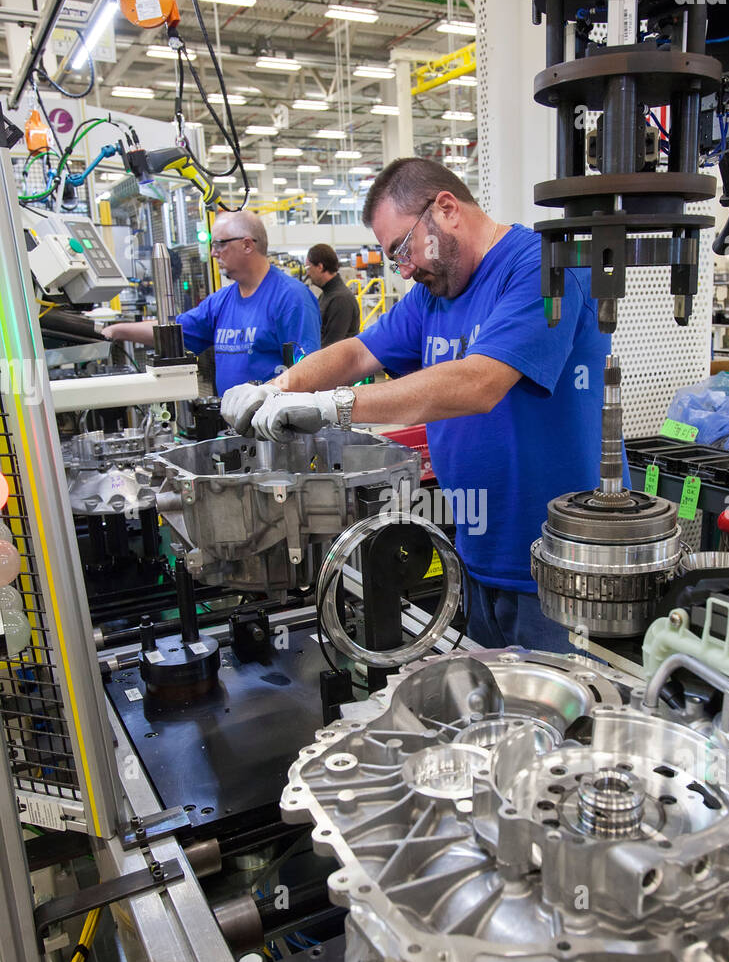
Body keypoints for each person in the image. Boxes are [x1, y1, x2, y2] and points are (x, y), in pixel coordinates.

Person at [222, 159, 612, 651]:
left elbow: (480, 383)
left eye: (402, 249)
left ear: (445, 209)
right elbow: (358, 351)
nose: (404, 270)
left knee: (558, 721)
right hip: (476, 559)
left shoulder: (541, 266)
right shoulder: (434, 294)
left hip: (555, 573)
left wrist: (332, 407)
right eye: (393, 258)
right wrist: (278, 387)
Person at [103, 210, 321, 396]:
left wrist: (264, 396)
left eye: (219, 244)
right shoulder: (221, 301)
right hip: (235, 427)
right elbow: (173, 331)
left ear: (247, 245)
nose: (213, 253)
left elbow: (309, 371)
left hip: (276, 429)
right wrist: (115, 331)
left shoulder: (291, 298)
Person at [305, 244, 360, 347]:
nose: (307, 273)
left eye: (308, 268)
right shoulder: (326, 295)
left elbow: (332, 345)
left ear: (320, 267)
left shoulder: (340, 299)